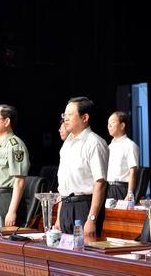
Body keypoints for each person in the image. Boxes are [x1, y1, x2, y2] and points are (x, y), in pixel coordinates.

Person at [55, 96, 108, 237]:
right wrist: (59, 217)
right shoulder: (67, 144)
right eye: (64, 115)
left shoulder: (94, 143)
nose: (65, 119)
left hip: (84, 207)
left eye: (70, 115)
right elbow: (64, 185)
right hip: (66, 205)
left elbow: (100, 183)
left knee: (85, 249)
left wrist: (91, 219)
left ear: (84, 118)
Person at [0, 104, 30, 226]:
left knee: (7, 236)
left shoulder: (14, 145)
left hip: (7, 198)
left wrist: (12, 211)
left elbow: (19, 180)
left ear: (6, 122)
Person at [106, 111, 139, 200]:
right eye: (108, 123)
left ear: (122, 125)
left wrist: (129, 194)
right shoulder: (109, 146)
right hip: (108, 188)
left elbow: (133, 171)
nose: (109, 126)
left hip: (121, 189)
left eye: (112, 122)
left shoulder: (130, 145)